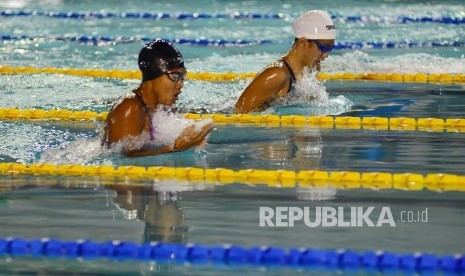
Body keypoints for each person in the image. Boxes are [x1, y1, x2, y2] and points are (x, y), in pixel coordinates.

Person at [102, 40, 214, 156]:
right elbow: (120, 159)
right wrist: (175, 148)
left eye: (182, 77)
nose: (180, 84)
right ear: (153, 75)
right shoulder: (130, 108)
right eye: (174, 76)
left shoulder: (156, 109)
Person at [234, 10, 336, 114]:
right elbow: (238, 113)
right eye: (324, 47)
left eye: (331, 47)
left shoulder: (311, 69)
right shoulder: (276, 74)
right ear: (303, 43)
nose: (326, 54)